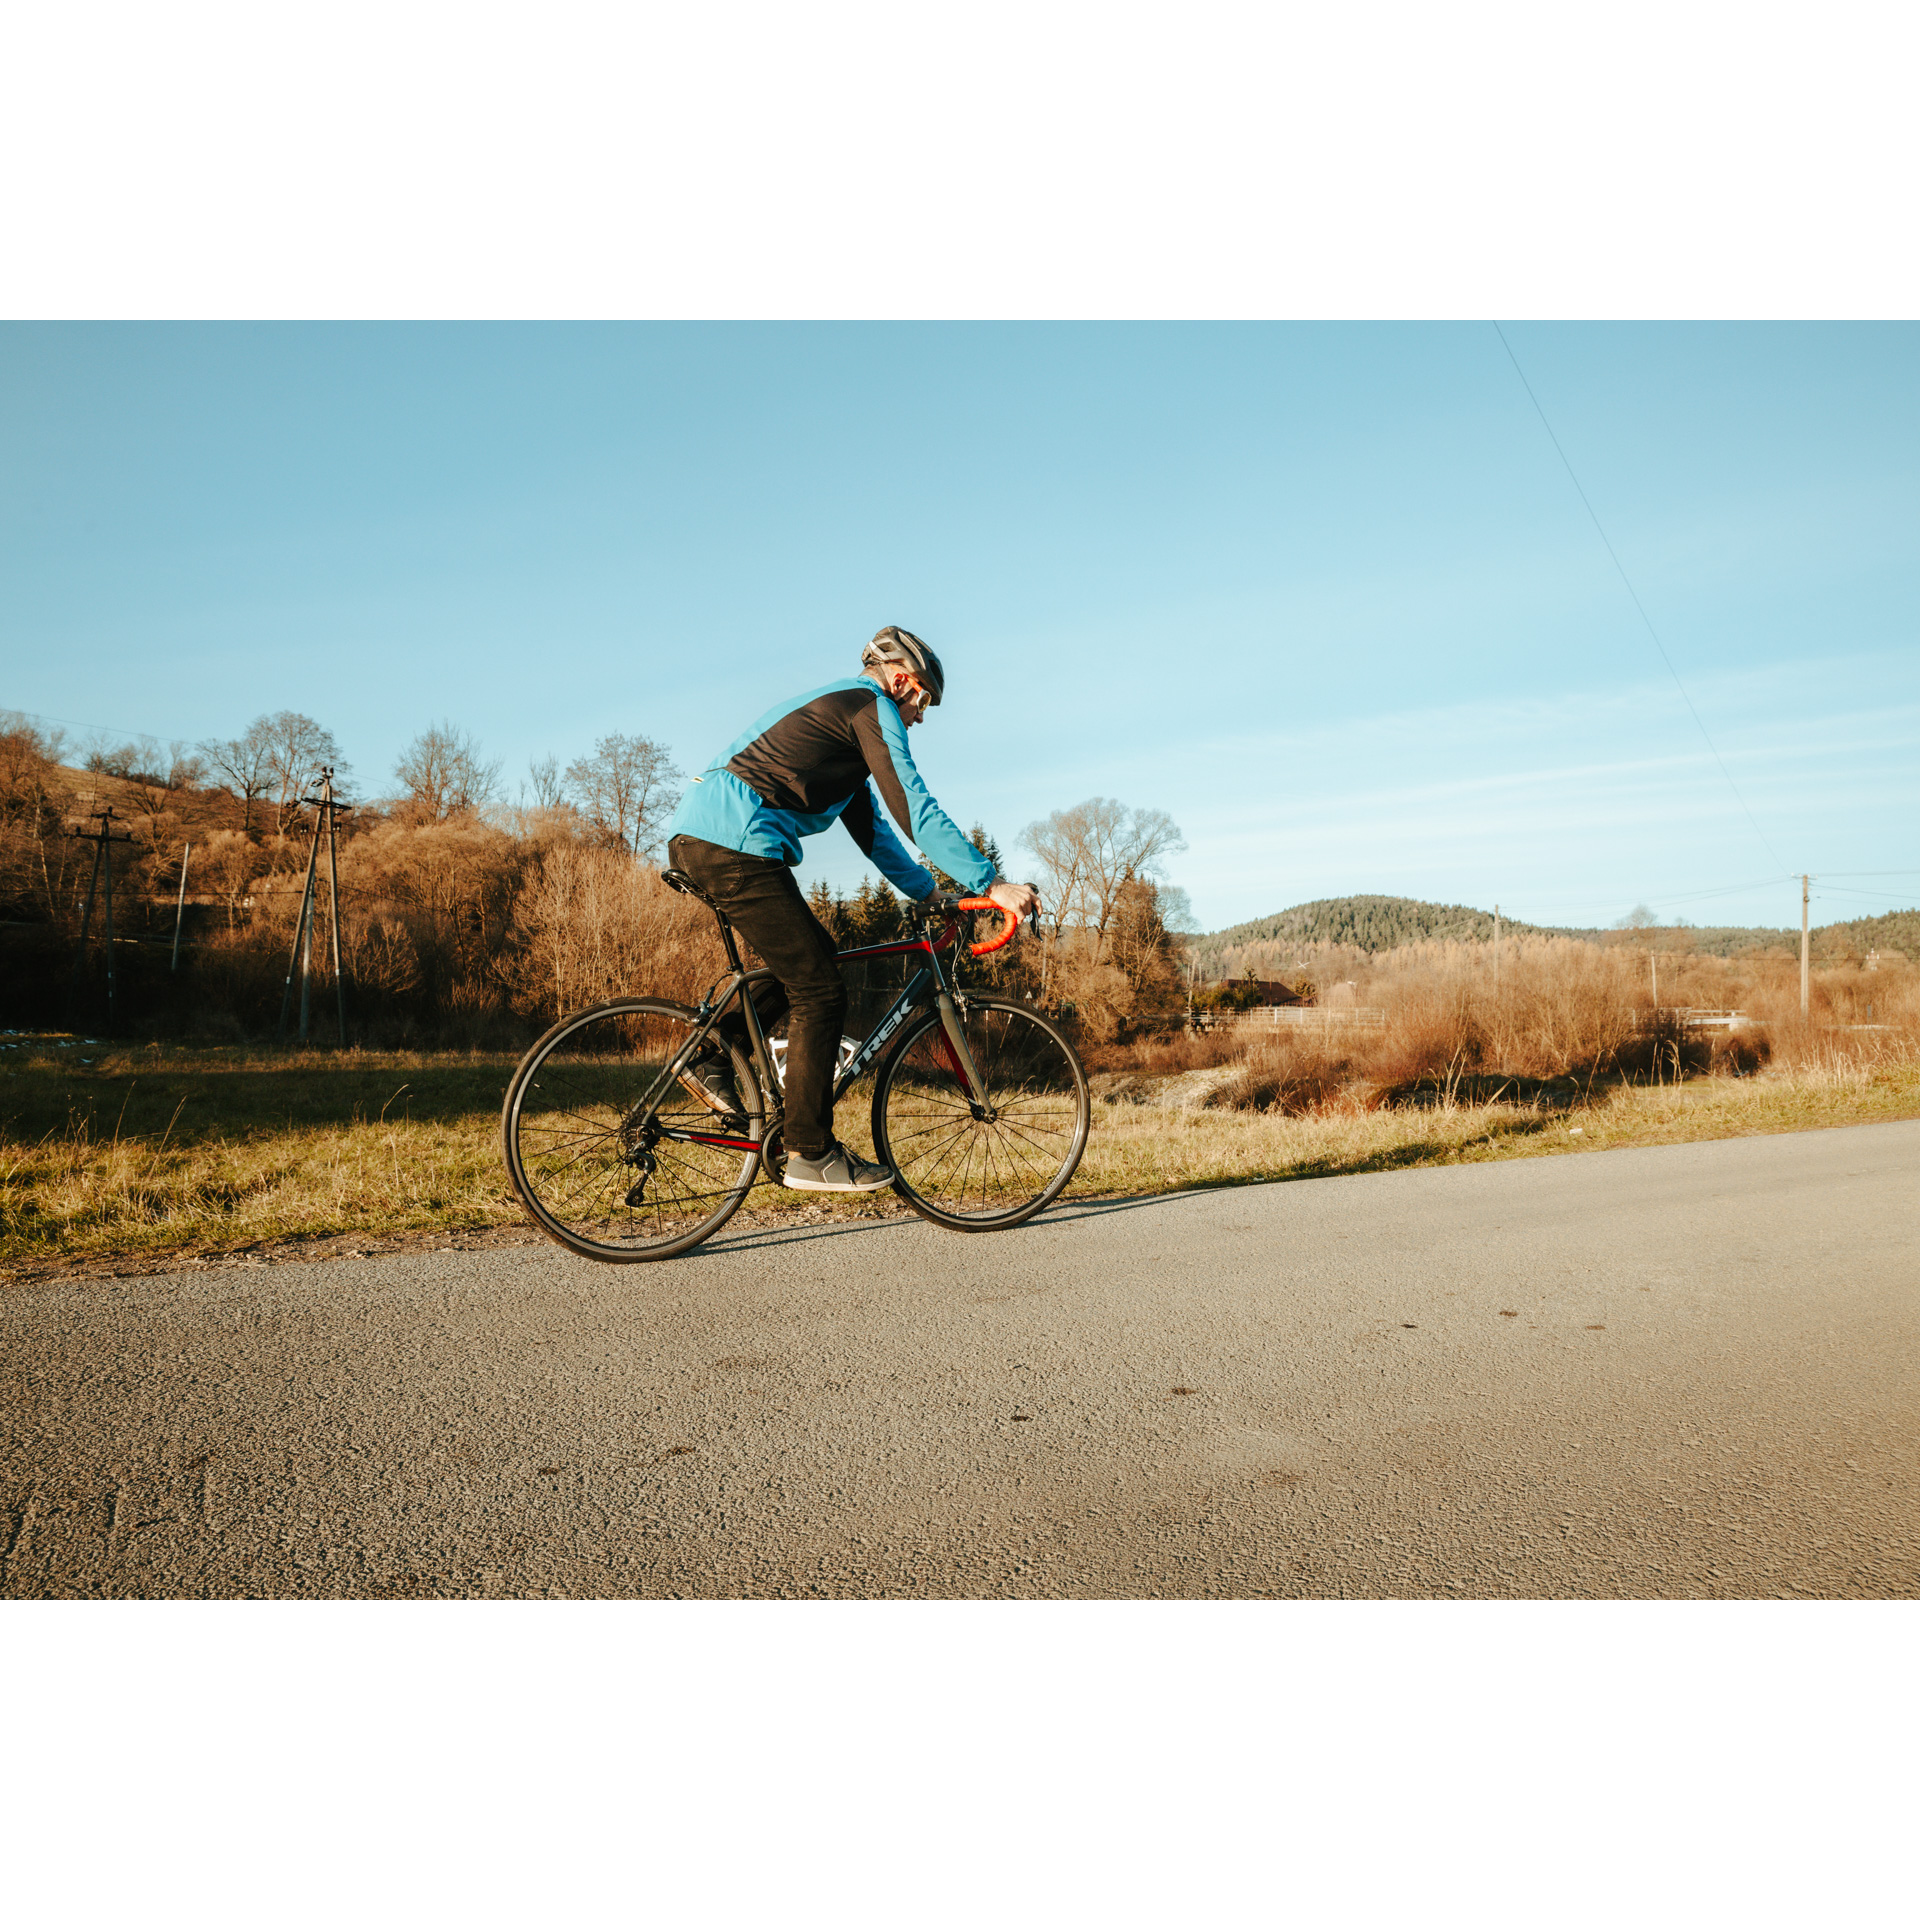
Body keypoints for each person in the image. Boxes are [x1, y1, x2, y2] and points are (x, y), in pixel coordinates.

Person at [664, 627, 1038, 1193]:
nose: (920, 717)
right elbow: (913, 802)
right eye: (924, 703)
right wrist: (991, 881)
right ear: (903, 681)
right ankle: (809, 1151)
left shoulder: (843, 726)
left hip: (713, 835)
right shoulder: (870, 707)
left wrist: (929, 893)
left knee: (811, 964)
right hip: (732, 839)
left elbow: (875, 832)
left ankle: (716, 1055)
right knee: (821, 988)